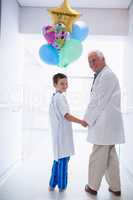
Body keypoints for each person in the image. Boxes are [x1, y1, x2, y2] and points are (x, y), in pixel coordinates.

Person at [84, 50, 125, 196]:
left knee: (97, 156)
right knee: (110, 157)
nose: (92, 64)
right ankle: (115, 187)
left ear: (103, 59)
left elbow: (98, 101)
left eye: (94, 60)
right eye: (89, 62)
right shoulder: (104, 75)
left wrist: (87, 119)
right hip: (107, 125)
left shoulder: (107, 75)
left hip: (105, 125)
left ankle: (92, 187)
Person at [49, 73, 87, 192]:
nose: (65, 85)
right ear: (55, 84)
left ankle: (51, 185)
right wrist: (81, 121)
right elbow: (67, 116)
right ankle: (61, 186)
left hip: (59, 135)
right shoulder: (59, 98)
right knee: (63, 161)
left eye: (66, 83)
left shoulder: (55, 96)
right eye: (62, 83)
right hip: (62, 136)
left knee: (58, 160)